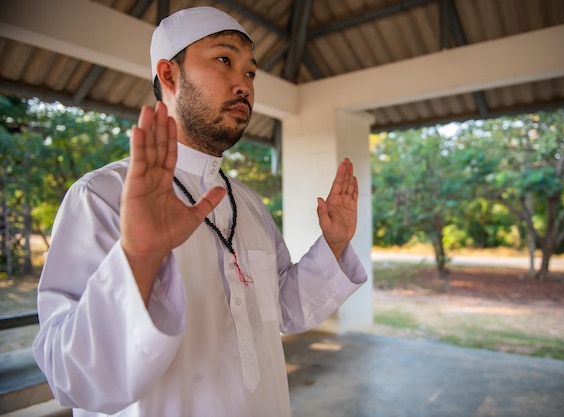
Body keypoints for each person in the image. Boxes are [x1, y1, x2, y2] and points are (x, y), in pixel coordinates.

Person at [32, 6, 367, 417]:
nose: (244, 85)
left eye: (250, 72)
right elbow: (72, 378)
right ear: (169, 75)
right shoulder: (100, 196)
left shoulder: (247, 203)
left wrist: (333, 245)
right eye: (224, 60)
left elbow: (283, 308)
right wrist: (138, 258)